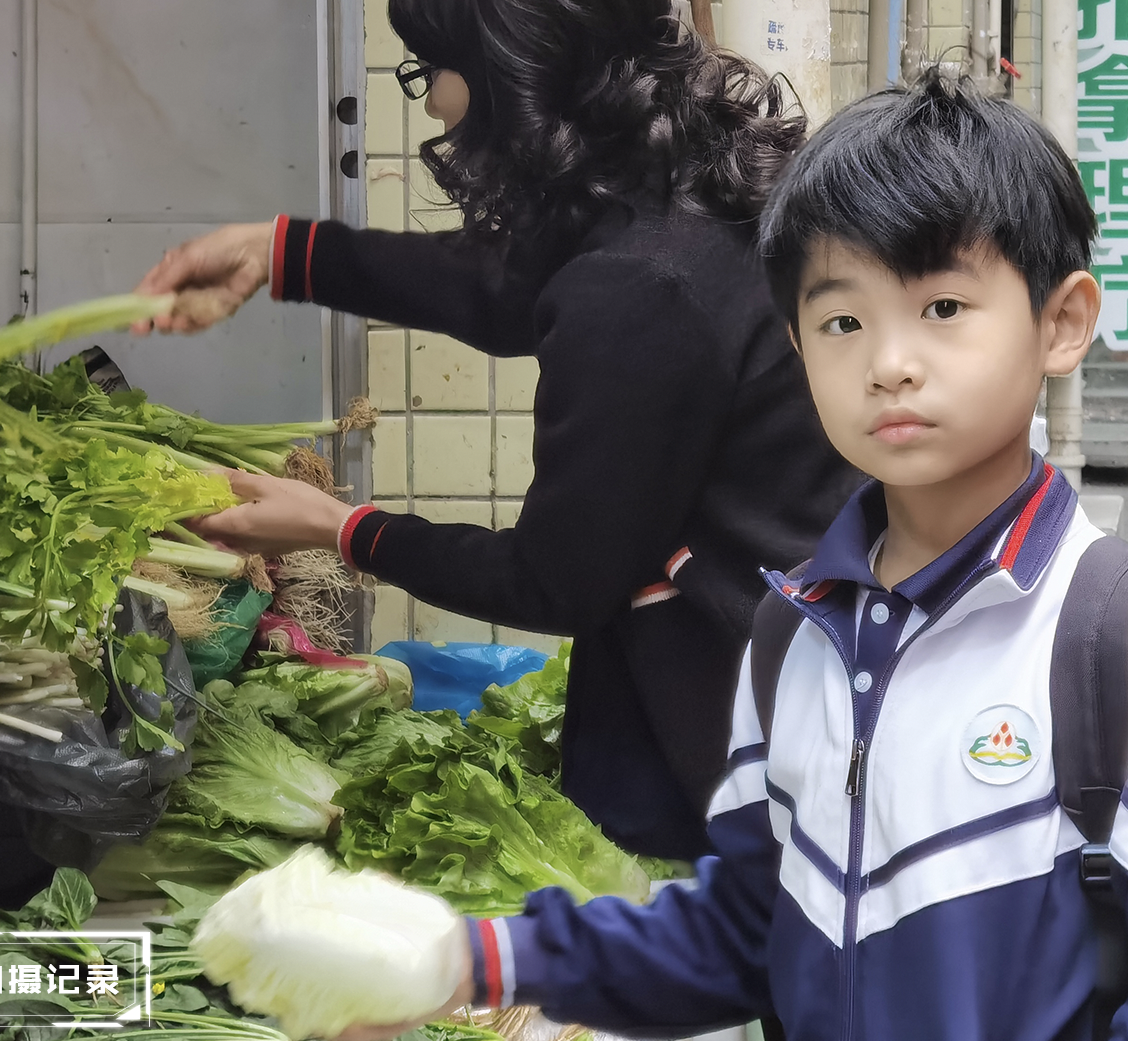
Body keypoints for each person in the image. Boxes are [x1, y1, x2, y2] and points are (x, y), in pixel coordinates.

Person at [319, 73, 1128, 1041]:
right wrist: (469, 958)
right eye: (842, 322)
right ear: (796, 342)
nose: (890, 364)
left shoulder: (1118, 642)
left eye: (945, 306)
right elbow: (742, 933)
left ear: (1062, 322)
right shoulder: (792, 637)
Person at [132, 0, 858, 861]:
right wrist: (283, 253)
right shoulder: (693, 174)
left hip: (736, 738)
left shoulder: (642, 289)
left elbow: (557, 585)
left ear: (510, 77)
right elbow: (514, 290)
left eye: (431, 72)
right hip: (798, 672)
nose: (433, 103)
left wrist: (341, 529)